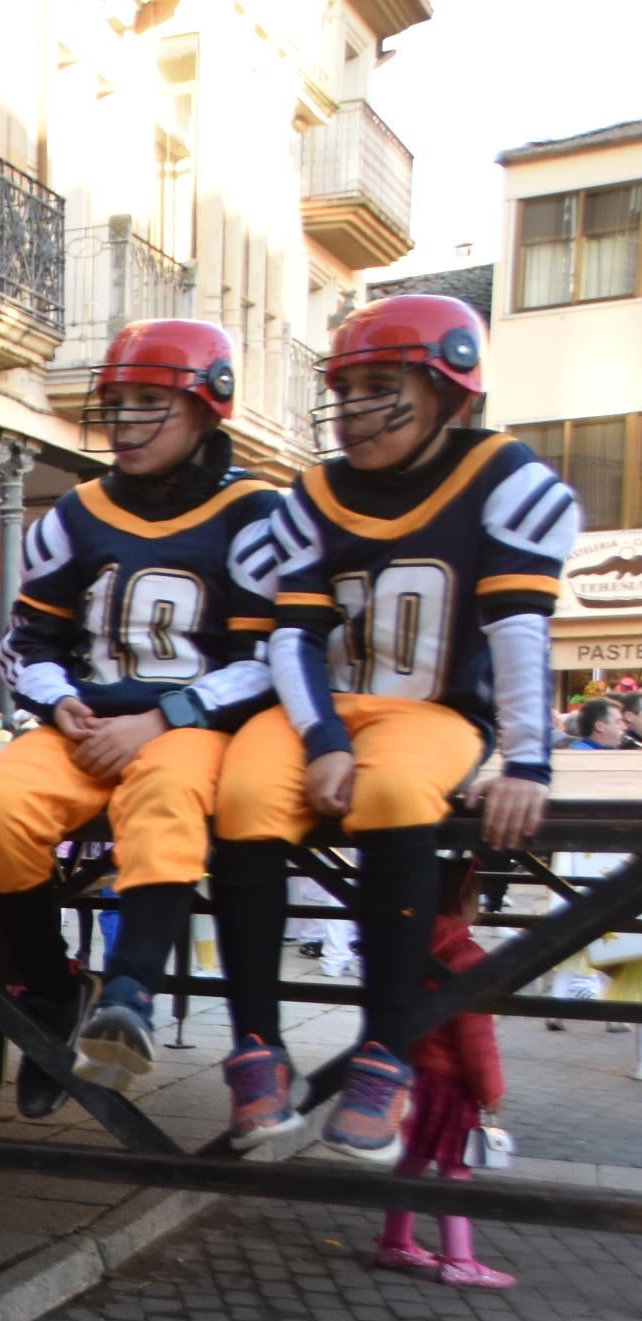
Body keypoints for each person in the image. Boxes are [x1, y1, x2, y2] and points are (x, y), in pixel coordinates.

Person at [211, 293, 578, 1161]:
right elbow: (292, 633)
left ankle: (387, 1049)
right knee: (246, 791)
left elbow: (519, 630)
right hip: (327, 705)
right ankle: (257, 1046)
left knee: (396, 791)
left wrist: (528, 760)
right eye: (348, 385)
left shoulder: (504, 475)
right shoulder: (314, 491)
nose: (355, 406)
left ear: (450, 389)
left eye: (381, 384)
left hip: (439, 709)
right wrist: (324, 740)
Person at [0, 321, 286, 1113]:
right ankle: (48, 987)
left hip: (190, 728)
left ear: (209, 407)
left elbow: (273, 657)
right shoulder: (75, 511)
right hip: (81, 723)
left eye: (151, 403)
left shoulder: (255, 513)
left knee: (166, 800)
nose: (128, 423)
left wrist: (168, 715)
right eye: (120, 404)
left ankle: (131, 988)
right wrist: (55, 698)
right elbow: (27, 640)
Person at [377, 869, 512, 1288]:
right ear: (462, 901)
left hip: (415, 1073)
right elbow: (476, 1037)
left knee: (412, 1160)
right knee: (456, 1168)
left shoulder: (405, 949)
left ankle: (396, 1241)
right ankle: (459, 1258)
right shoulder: (466, 957)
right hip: (453, 1084)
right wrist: (491, 1090)